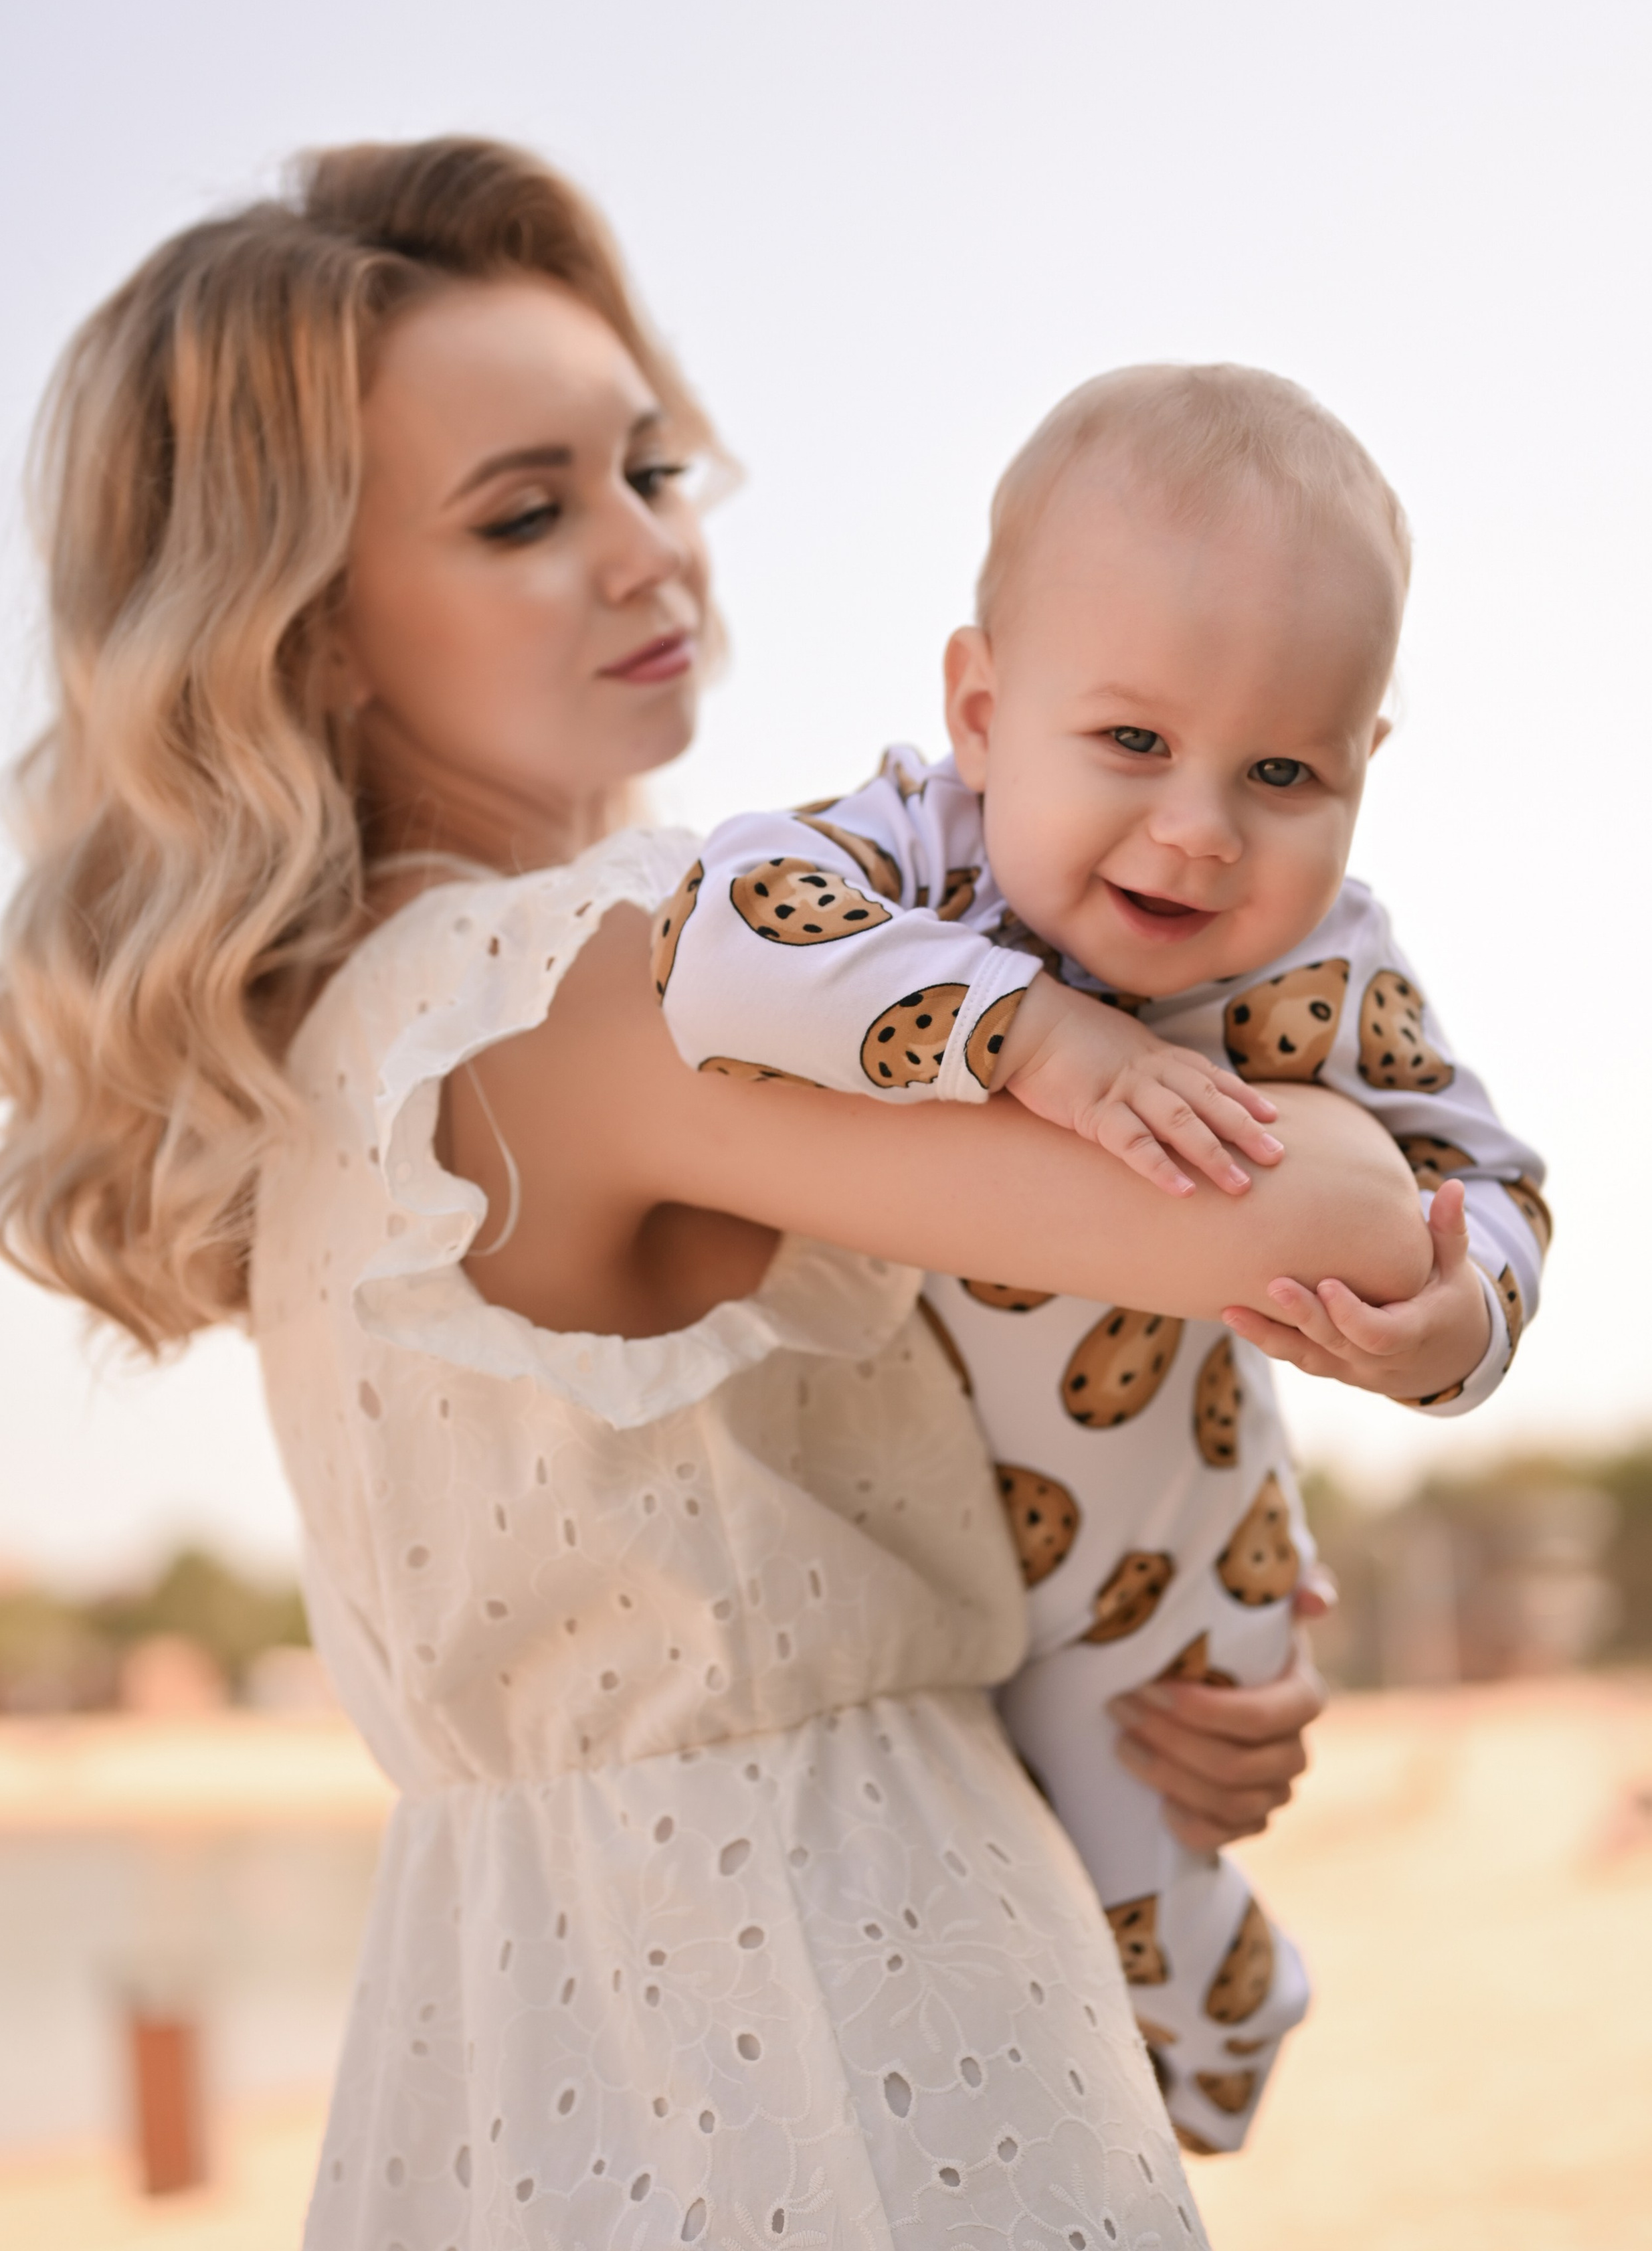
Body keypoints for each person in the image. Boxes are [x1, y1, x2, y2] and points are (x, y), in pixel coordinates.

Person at [0, 141, 1437, 2247]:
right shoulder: (594, 981)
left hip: (507, 2037)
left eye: (648, 468)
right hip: (839, 2019)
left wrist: (1144, 1646)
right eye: (527, 511)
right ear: (316, 629)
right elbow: (1336, 1222)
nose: (649, 547)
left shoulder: (360, 1039)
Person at [656, 361, 1550, 2150]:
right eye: (1133, 742)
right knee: (940, 1945)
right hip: (889, 1557)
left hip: (1165, 1551)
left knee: (1140, 1910)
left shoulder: (1330, 967)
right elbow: (720, 938)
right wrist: (1034, 1036)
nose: (1201, 828)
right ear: (984, 712)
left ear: (1363, 773)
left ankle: (1212, 2047)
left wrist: (1456, 1320)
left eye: (1283, 771)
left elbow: (1490, 1182)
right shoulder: (923, 854)